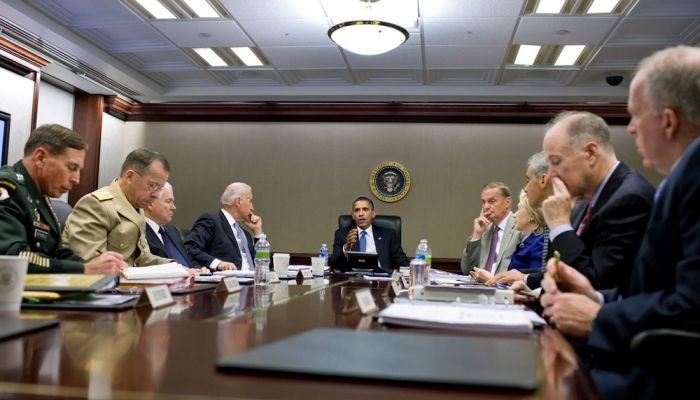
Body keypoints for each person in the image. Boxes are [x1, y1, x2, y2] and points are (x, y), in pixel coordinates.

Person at [540, 45, 700, 399]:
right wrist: (595, 296)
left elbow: (691, 308)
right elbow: (656, 292)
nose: (629, 128)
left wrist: (599, 317)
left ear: (669, 121)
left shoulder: (688, 177)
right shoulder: (682, 176)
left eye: (635, 115)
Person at [526, 111, 655, 294]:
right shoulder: (585, 200)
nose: (552, 173)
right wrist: (535, 295)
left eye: (556, 161)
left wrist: (560, 226)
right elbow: (561, 272)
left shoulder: (629, 200)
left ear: (590, 153)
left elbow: (595, 285)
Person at [0, 124, 125, 274]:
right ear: (40, 158)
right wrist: (83, 269)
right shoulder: (7, 188)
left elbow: (57, 251)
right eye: (72, 167)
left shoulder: (38, 194)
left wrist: (96, 266)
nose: (76, 179)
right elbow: (12, 257)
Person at [62, 148, 173, 266]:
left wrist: (178, 268)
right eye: (152, 186)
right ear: (130, 176)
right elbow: (90, 263)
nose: (155, 195)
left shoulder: (137, 207)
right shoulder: (96, 205)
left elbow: (141, 258)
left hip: (126, 280)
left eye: (159, 188)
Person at [184, 182, 264, 271]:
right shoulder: (211, 220)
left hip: (254, 281)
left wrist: (258, 232)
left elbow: (263, 262)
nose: (252, 207)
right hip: (230, 281)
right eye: (250, 201)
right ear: (238, 201)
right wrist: (218, 263)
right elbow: (190, 247)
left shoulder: (245, 234)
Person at [472, 190, 545, 284]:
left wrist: (491, 280)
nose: (514, 215)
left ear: (531, 216)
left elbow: (533, 284)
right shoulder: (526, 242)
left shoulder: (540, 242)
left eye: (519, 209)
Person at [460, 182, 524, 277]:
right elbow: (466, 270)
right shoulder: (484, 230)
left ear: (507, 202)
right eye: (483, 202)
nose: (486, 206)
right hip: (479, 288)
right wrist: (476, 235)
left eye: (492, 201)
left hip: (503, 289)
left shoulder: (520, 227)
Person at [331, 196, 409, 271]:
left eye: (365, 209)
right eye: (357, 210)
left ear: (373, 213)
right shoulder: (341, 234)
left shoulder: (388, 235)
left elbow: (403, 263)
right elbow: (334, 265)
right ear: (353, 216)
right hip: (353, 280)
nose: (361, 214)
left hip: (381, 279)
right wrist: (346, 248)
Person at [144, 182, 196, 268]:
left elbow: (188, 261)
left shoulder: (173, 231)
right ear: (150, 204)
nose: (173, 208)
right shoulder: (141, 233)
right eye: (168, 201)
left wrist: (200, 271)